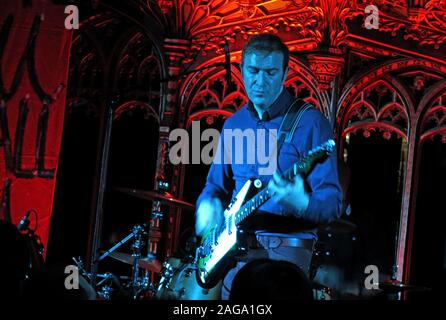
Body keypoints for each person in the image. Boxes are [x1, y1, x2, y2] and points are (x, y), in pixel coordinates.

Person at [195, 33, 342, 300]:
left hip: (285, 256)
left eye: (271, 72)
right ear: (241, 70)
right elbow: (214, 186)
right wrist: (206, 206)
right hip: (235, 253)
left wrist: (303, 204)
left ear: (285, 73)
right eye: (252, 71)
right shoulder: (233, 124)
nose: (260, 81)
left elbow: (333, 203)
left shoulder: (311, 123)